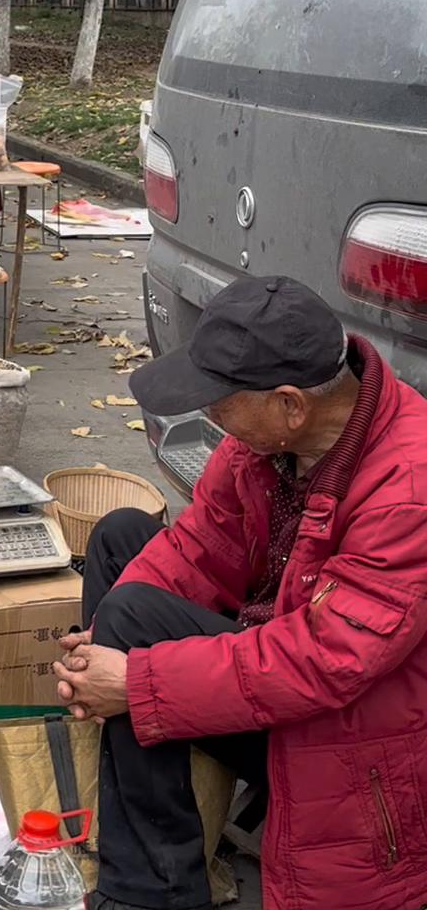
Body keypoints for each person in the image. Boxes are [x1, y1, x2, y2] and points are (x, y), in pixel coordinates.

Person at [55, 275, 427, 910]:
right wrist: (103, 651)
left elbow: (322, 661)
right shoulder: (266, 445)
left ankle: (152, 894)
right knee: (122, 547)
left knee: (134, 622)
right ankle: (145, 808)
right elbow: (199, 546)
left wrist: (138, 680)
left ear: (290, 404)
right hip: (270, 655)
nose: (209, 416)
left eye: (220, 402)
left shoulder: (409, 487)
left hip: (354, 729)